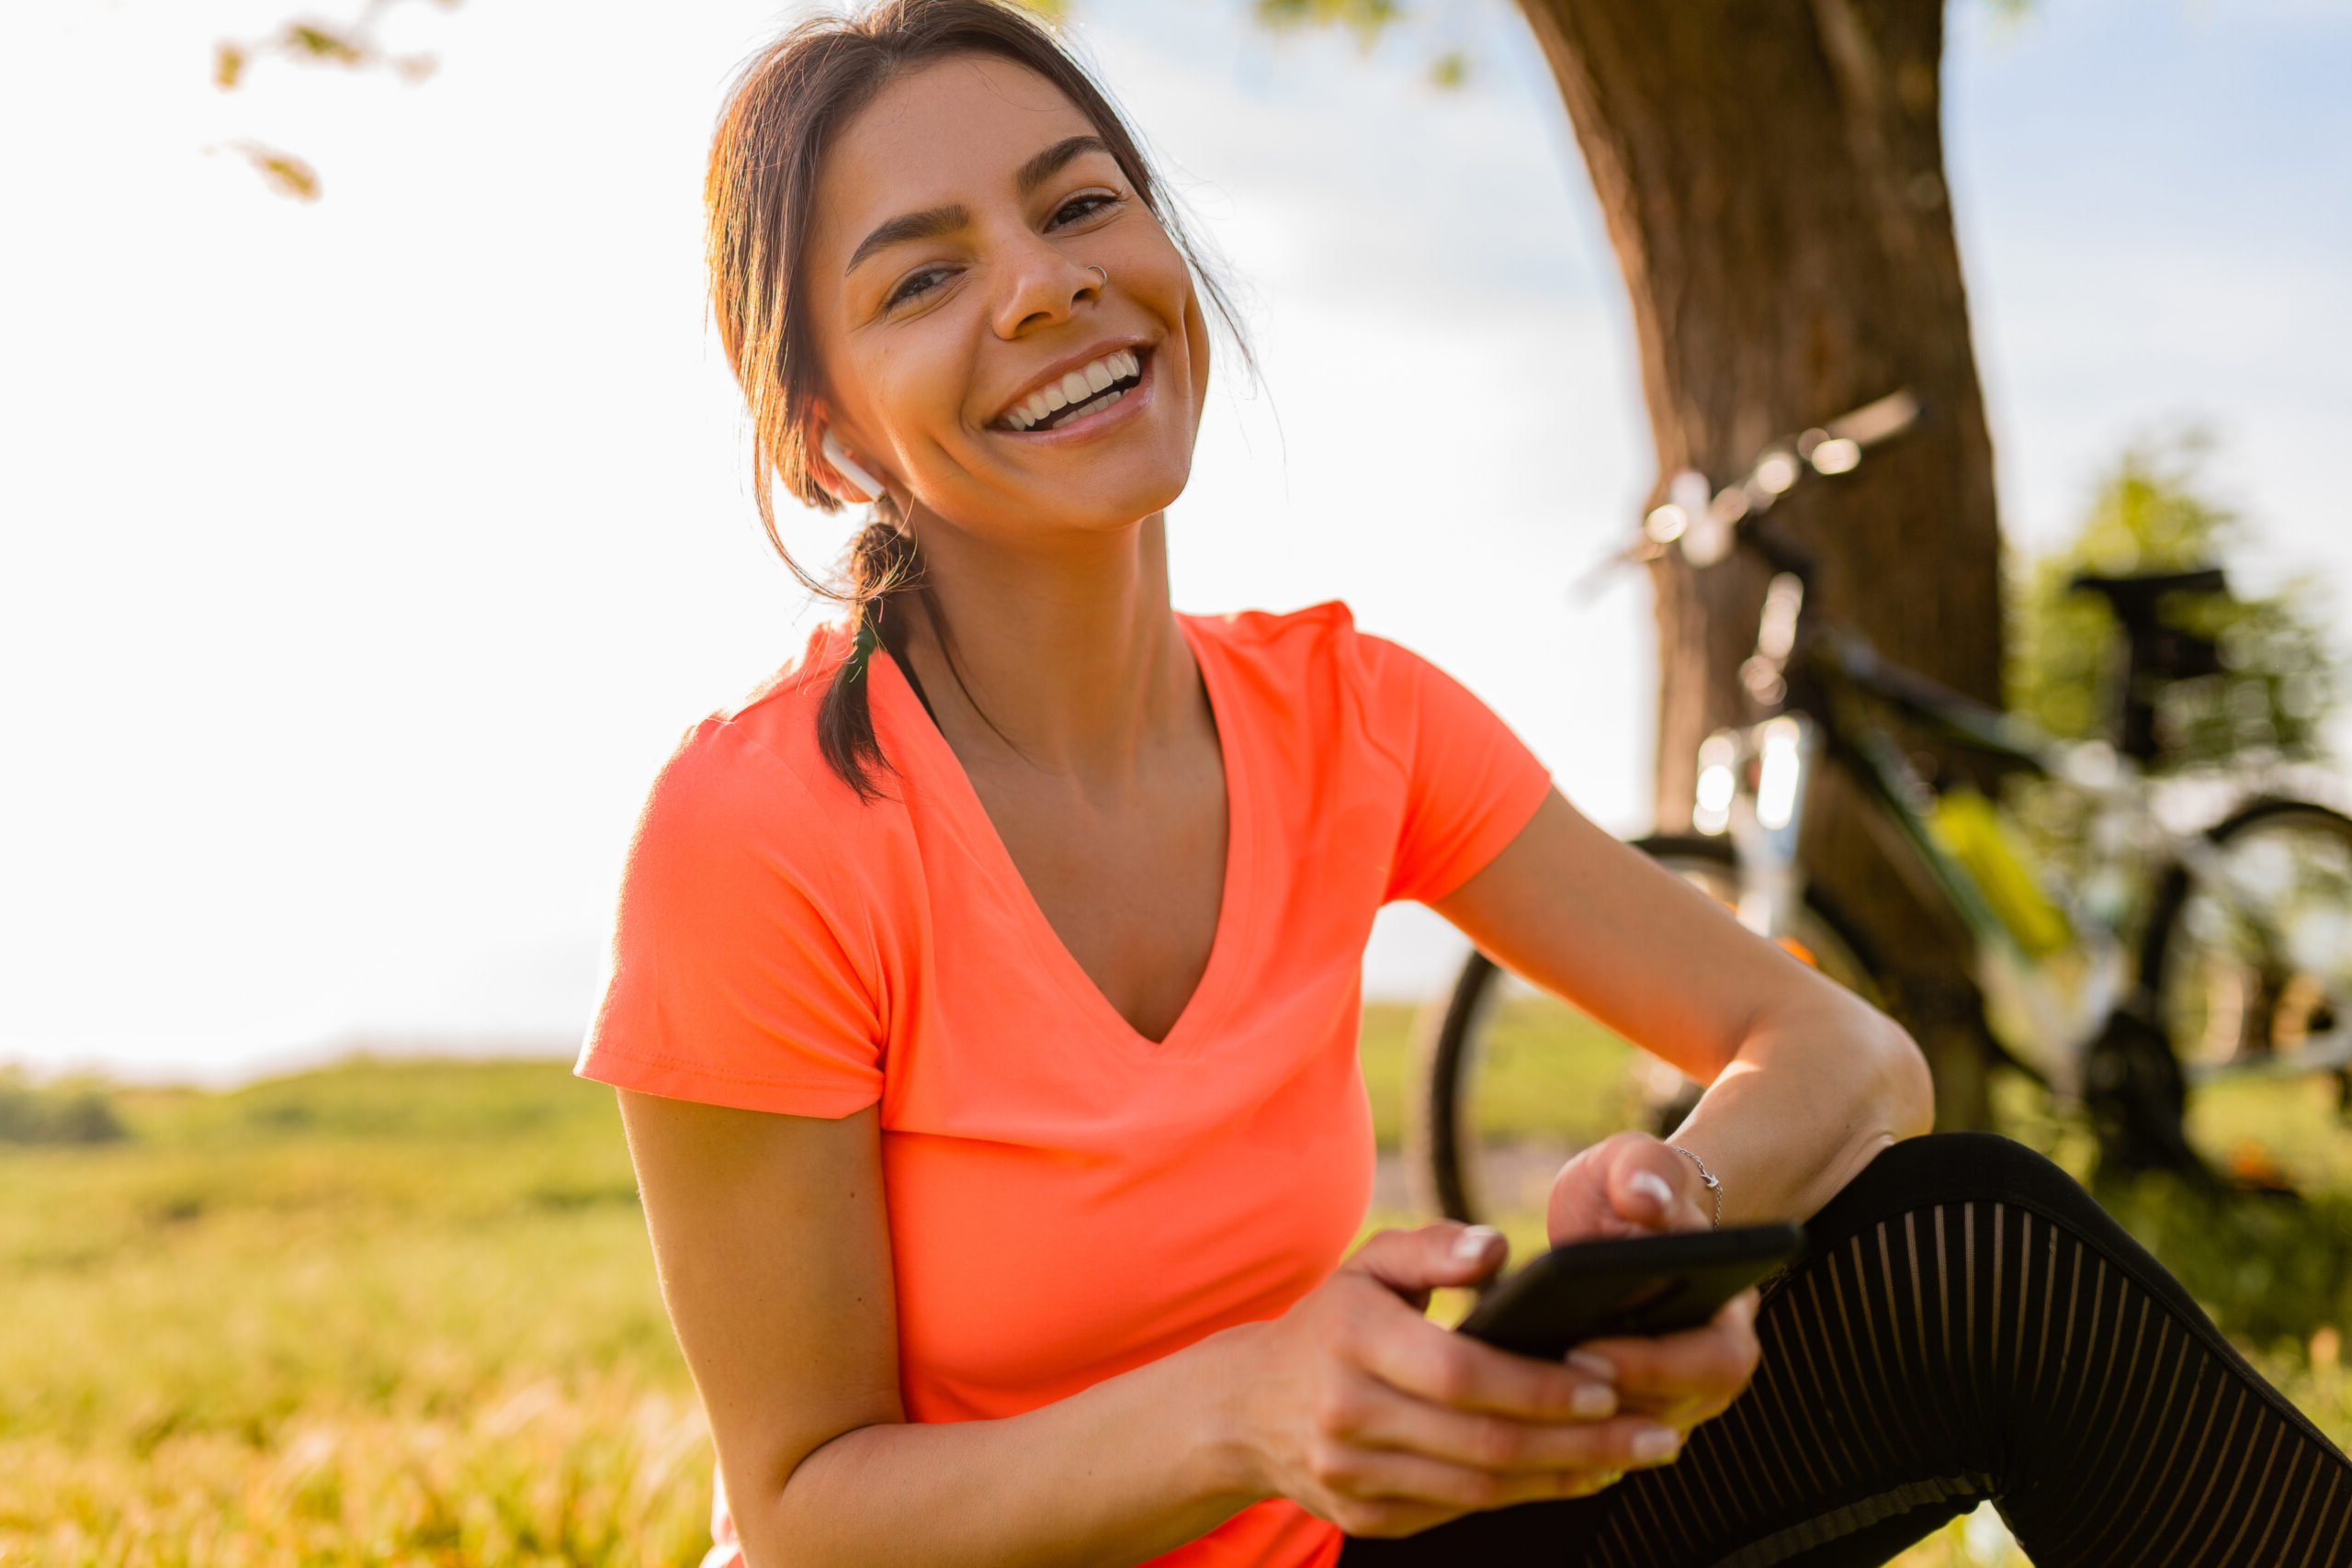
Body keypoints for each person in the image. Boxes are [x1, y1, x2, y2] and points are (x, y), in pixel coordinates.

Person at [577, 4, 2352, 1564]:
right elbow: (807, 1510)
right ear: (824, 436)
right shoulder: (766, 835)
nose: (1045, 280)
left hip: (1351, 1554)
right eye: (924, 274)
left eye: (1078, 201)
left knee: (1977, 1244)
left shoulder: (1348, 717)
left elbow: (1837, 1053)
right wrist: (1245, 1412)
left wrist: (1677, 1216)